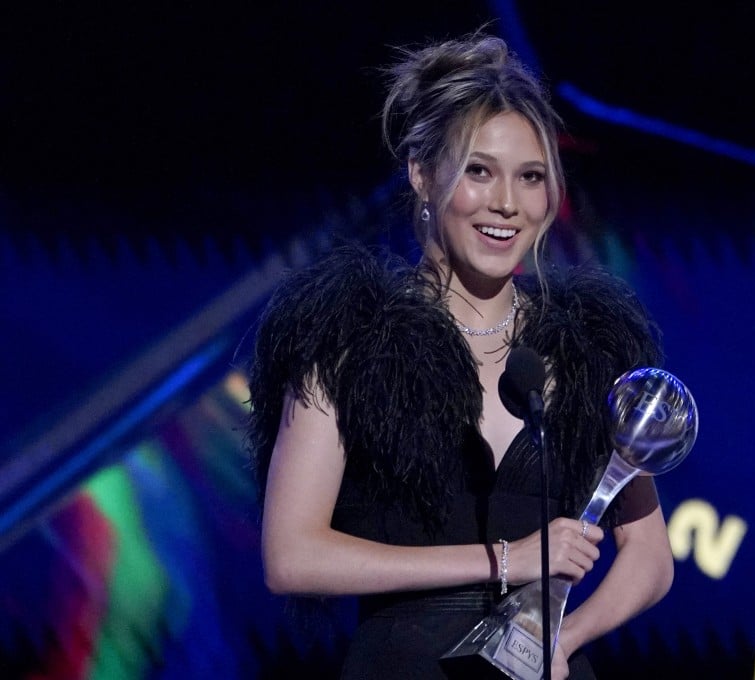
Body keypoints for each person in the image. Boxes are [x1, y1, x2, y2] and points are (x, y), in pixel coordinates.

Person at [245, 29, 674, 679]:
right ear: (422, 173)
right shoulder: (347, 342)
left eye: (530, 177)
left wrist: (566, 636)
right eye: (479, 171)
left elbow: (648, 553)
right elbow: (292, 556)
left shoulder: (586, 352)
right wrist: (505, 560)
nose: (507, 203)